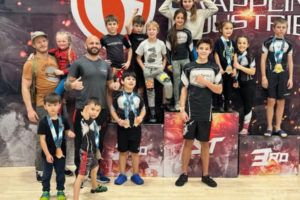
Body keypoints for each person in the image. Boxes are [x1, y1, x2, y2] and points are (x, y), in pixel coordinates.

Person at [65, 35, 120, 184]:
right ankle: (80, 175)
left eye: (97, 43)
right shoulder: (78, 64)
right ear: (85, 45)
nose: (95, 45)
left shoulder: (105, 65)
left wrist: (113, 86)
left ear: (100, 46)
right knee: (81, 144)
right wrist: (72, 85)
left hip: (101, 110)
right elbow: (67, 85)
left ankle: (95, 173)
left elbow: (109, 86)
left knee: (98, 144)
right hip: (83, 110)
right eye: (92, 43)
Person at [175, 38, 222, 187]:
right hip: (190, 111)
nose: (203, 51)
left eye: (206, 48)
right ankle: (184, 174)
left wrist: (205, 82)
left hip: (205, 112)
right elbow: (183, 89)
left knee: (205, 144)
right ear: (197, 49)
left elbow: (219, 90)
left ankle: (205, 175)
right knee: (187, 143)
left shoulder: (214, 68)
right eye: (200, 48)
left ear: (210, 51)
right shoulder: (188, 67)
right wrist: (182, 109)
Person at [22, 31, 59, 182]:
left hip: (58, 104)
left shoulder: (54, 59)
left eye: (44, 40)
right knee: (43, 138)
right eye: (38, 42)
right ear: (34, 45)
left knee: (58, 137)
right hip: (42, 105)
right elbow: (25, 87)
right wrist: (30, 109)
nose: (42, 43)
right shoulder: (30, 63)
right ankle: (39, 168)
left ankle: (58, 164)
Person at [110, 71, 146, 185]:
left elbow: (143, 109)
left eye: (133, 79)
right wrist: (118, 120)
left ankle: (135, 174)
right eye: (128, 79)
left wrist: (140, 117)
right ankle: (122, 174)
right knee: (123, 151)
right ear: (122, 81)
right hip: (122, 129)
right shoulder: (118, 96)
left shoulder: (138, 97)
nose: (131, 81)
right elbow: (112, 109)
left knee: (135, 152)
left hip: (135, 128)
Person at [38, 93, 75, 200]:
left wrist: (70, 133)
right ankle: (45, 191)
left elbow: (67, 130)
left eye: (55, 105)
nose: (52, 108)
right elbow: (42, 140)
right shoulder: (43, 122)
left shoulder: (63, 119)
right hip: (47, 153)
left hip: (61, 152)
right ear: (45, 106)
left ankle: (60, 190)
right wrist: (47, 154)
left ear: (59, 105)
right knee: (46, 174)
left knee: (60, 173)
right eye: (49, 105)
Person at [261, 17, 293, 137]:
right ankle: (269, 127)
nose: (281, 30)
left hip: (283, 75)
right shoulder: (267, 42)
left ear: (286, 29)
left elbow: (290, 62)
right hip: (271, 74)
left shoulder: (289, 44)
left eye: (283, 27)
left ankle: (278, 127)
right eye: (278, 27)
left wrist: (290, 78)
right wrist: (264, 77)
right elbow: (263, 61)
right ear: (273, 28)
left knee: (281, 101)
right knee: (271, 100)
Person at [136, 21, 174, 122]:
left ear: (157, 31)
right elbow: (138, 58)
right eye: (149, 29)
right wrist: (144, 68)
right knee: (150, 92)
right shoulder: (143, 44)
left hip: (159, 72)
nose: (151, 31)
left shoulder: (161, 43)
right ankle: (152, 115)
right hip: (148, 72)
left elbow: (165, 57)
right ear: (146, 31)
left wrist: (163, 66)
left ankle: (168, 103)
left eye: (153, 29)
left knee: (168, 83)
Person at [73, 97, 108, 200]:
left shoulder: (92, 121)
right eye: (92, 109)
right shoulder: (86, 119)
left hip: (92, 151)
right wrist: (85, 114)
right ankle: (75, 198)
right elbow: (87, 120)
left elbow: (93, 130)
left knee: (95, 168)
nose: (95, 112)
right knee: (81, 176)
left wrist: (96, 129)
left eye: (97, 110)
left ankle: (94, 187)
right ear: (86, 108)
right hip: (86, 153)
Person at [166, 8, 193, 111]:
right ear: (174, 19)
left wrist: (193, 62)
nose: (180, 20)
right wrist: (168, 63)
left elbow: (190, 49)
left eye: (182, 18)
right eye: (178, 18)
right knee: (177, 82)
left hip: (186, 60)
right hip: (175, 61)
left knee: (187, 81)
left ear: (185, 20)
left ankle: (186, 102)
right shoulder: (170, 33)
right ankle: (177, 102)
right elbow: (167, 50)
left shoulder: (188, 32)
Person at [233, 36, 256, 135]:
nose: (241, 45)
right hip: (236, 84)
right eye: (239, 43)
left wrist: (239, 67)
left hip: (248, 84)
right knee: (234, 105)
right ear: (236, 44)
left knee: (247, 106)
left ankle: (245, 128)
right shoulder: (234, 55)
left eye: (244, 43)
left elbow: (252, 72)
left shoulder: (250, 57)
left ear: (248, 45)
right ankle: (233, 127)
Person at [213, 20, 237, 112]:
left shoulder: (232, 42)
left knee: (228, 88)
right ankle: (219, 105)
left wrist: (235, 68)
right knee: (219, 87)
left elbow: (235, 55)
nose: (229, 30)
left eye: (231, 28)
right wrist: (219, 68)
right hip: (221, 69)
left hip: (230, 70)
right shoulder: (219, 41)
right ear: (221, 29)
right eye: (226, 28)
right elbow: (216, 55)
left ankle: (227, 105)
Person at [101, 14, 132, 82]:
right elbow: (96, 51)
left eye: (114, 24)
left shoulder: (122, 37)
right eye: (110, 24)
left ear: (117, 25)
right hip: (110, 68)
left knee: (120, 86)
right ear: (106, 26)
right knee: (110, 87)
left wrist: (128, 62)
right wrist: (102, 60)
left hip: (121, 67)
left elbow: (130, 49)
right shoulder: (104, 39)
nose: (112, 26)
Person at [125, 8, 148, 95]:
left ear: (143, 26)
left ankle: (143, 103)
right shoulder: (133, 36)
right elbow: (127, 26)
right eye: (136, 26)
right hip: (136, 63)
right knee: (137, 84)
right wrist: (133, 13)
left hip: (145, 63)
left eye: (140, 26)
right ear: (133, 26)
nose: (138, 28)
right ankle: (136, 101)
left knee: (145, 85)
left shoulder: (146, 36)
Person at [48, 31, 76, 95]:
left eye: (63, 41)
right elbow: (45, 52)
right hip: (59, 75)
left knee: (56, 93)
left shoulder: (71, 52)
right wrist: (34, 54)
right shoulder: (56, 50)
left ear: (68, 41)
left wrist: (63, 72)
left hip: (67, 76)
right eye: (59, 41)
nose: (61, 43)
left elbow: (74, 67)